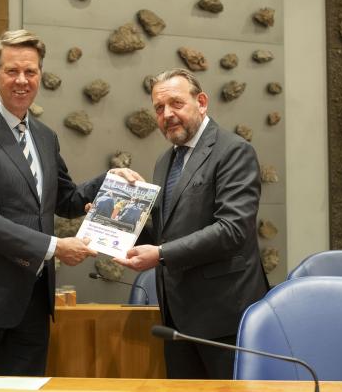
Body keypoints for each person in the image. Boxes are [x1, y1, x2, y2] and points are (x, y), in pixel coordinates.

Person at [0, 29, 138, 376]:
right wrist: (56, 247)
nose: (22, 80)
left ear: (40, 74)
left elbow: (67, 199)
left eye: (31, 71)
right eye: (12, 71)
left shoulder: (44, 136)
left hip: (33, 301)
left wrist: (109, 180)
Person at [113, 68, 269, 380]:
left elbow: (233, 230)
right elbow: (163, 233)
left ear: (201, 102)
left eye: (176, 104)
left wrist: (160, 254)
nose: (167, 114)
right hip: (177, 319)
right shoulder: (164, 161)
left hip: (225, 316)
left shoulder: (233, 150)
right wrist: (121, 210)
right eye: (159, 108)